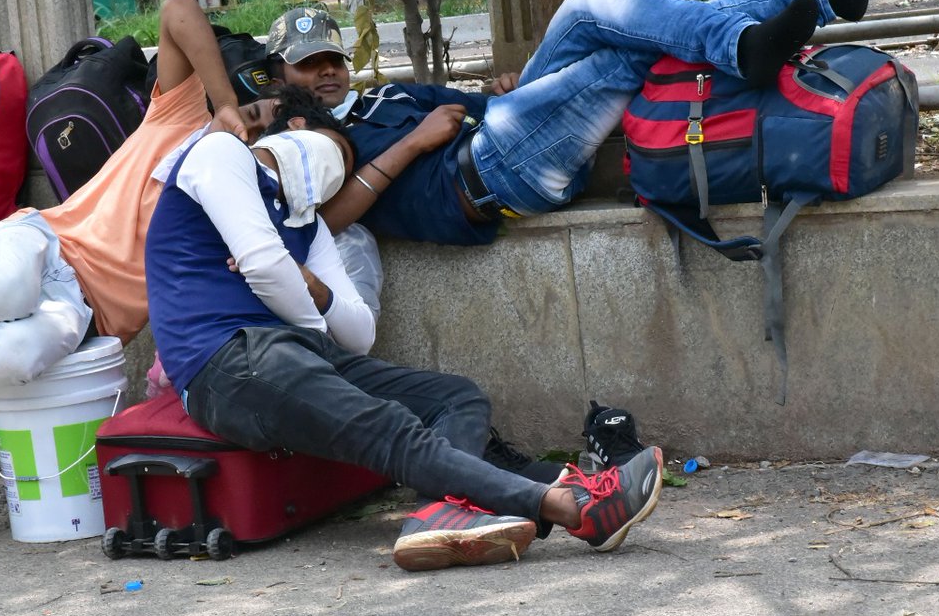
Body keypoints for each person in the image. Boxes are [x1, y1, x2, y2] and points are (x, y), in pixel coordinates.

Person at [144, 103, 665, 571]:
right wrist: (295, 297)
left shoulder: (309, 225)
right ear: (295, 129)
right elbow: (261, 266)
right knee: (387, 423)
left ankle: (445, 514)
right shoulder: (221, 154)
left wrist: (303, 283)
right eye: (339, 156)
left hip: (296, 351)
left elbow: (356, 332)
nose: (333, 175)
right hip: (227, 359)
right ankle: (571, 509)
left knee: (454, 397)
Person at [0, 0, 368, 387]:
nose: (243, 129)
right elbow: (178, 8)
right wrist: (224, 105)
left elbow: (322, 228)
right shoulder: (180, 120)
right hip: (43, 243)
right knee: (6, 289)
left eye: (257, 130)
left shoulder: (257, 215)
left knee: (18, 355)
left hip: (82, 316)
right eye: (249, 113)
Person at [266, 0, 897, 246]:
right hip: (493, 180)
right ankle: (804, 7)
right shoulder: (295, 142)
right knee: (629, 54)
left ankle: (808, 1)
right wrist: (416, 141)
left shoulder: (383, 95)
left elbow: (471, 108)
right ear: (281, 78)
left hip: (506, 134)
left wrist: (509, 90)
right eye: (308, 64)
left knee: (591, 5)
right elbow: (323, 220)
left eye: (332, 59)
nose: (325, 72)